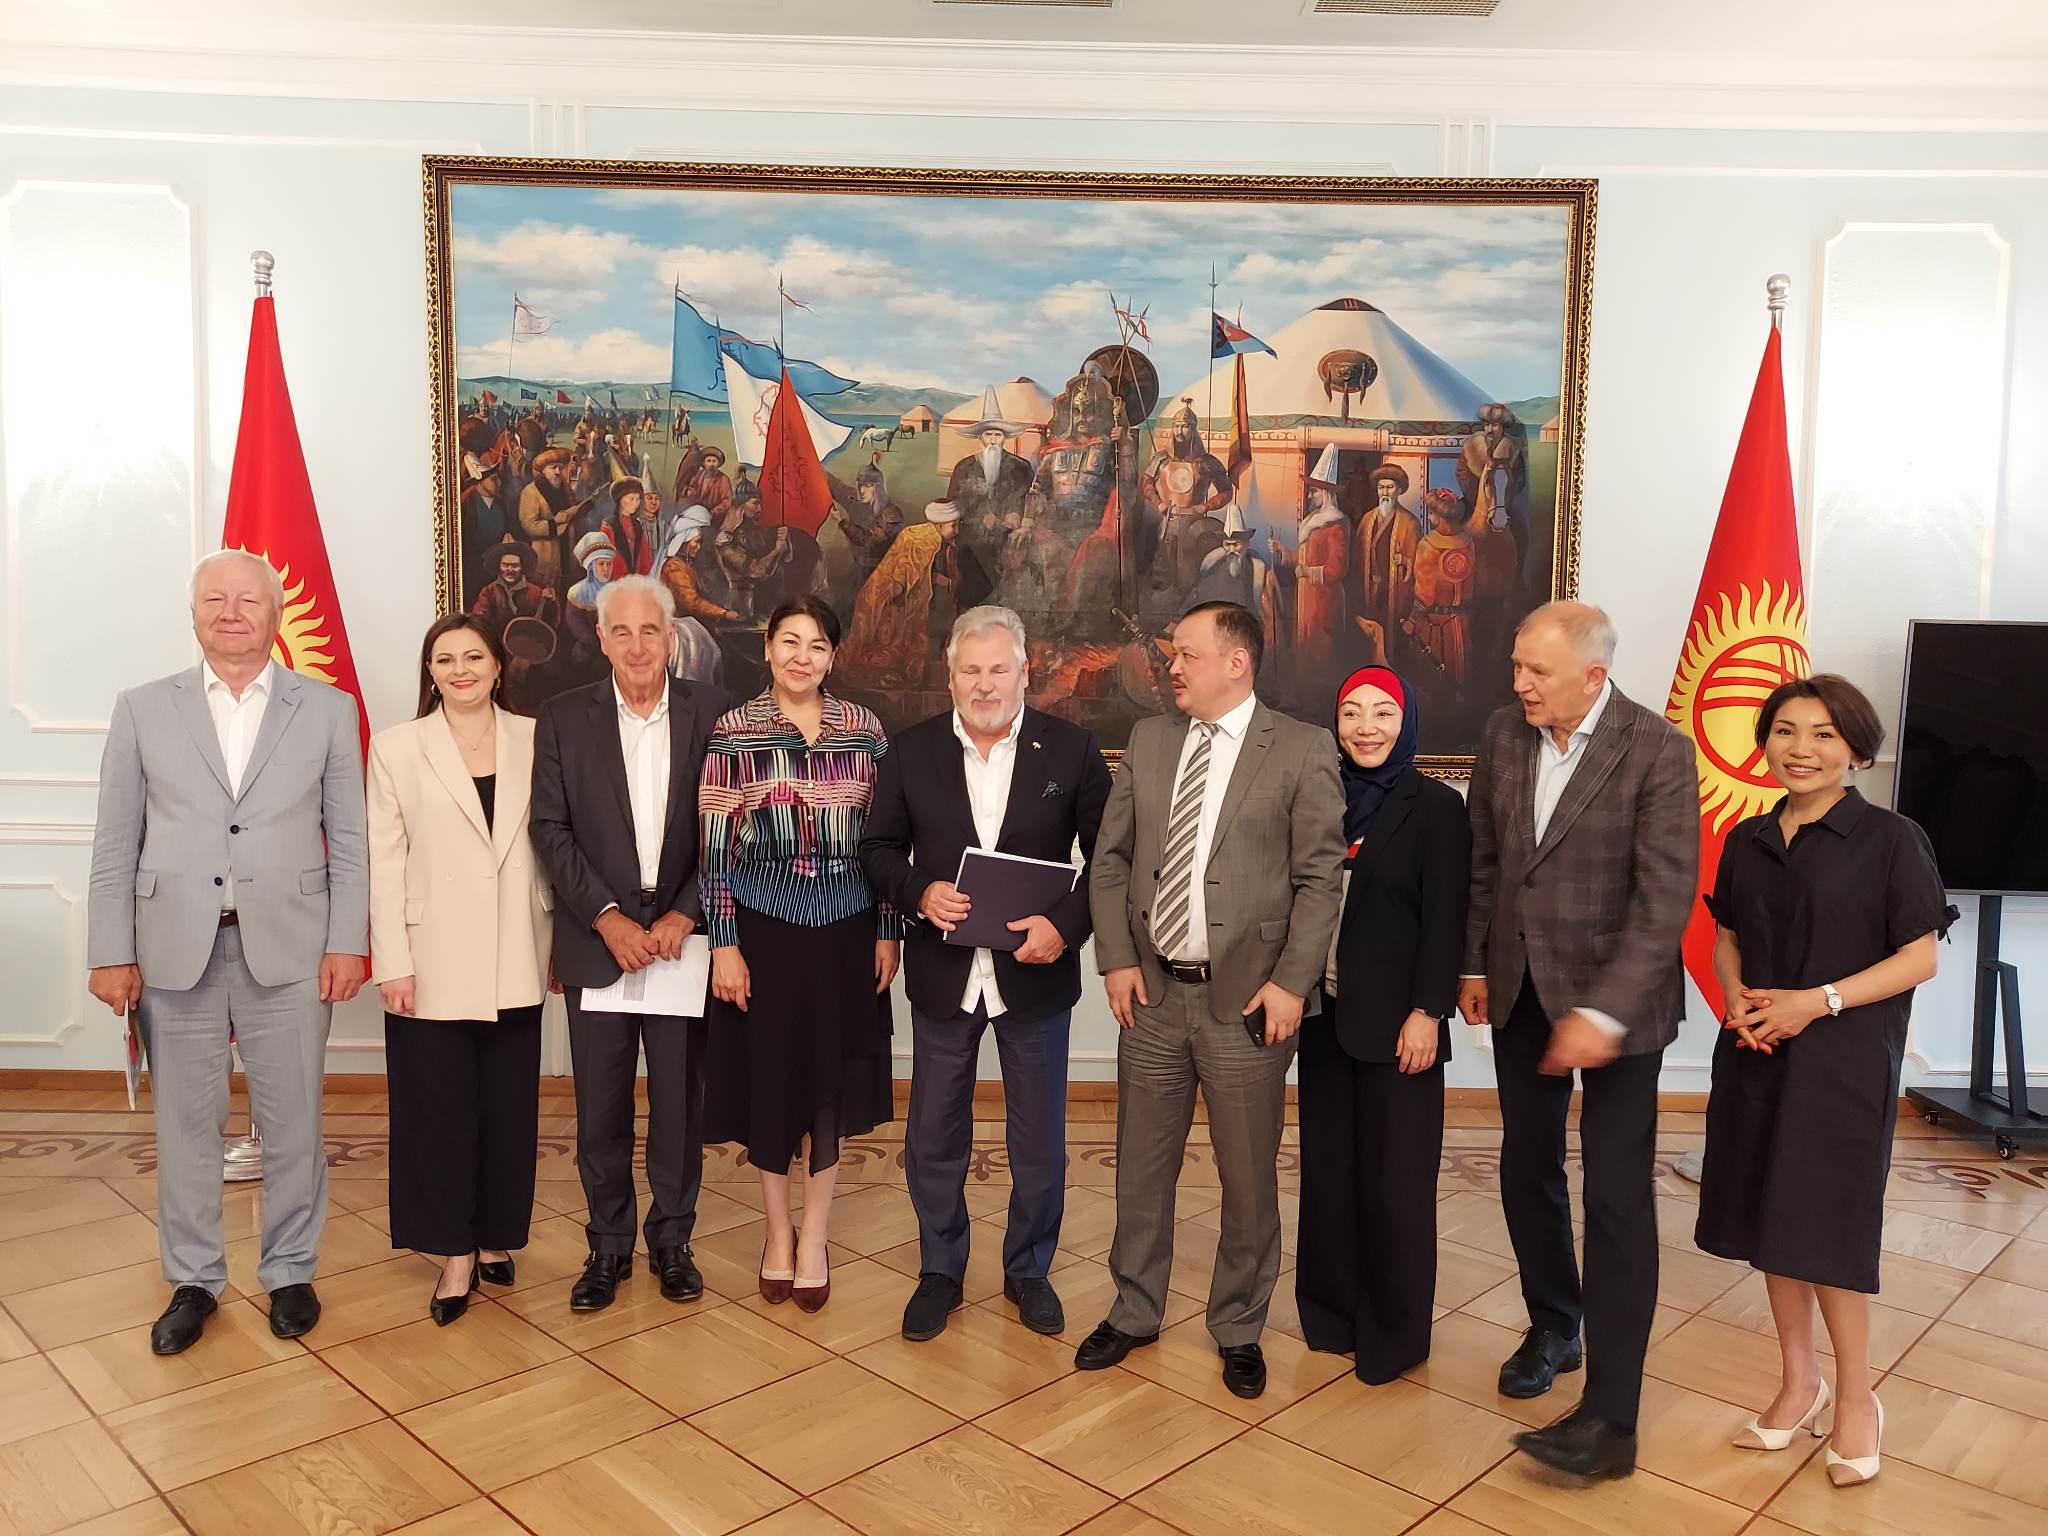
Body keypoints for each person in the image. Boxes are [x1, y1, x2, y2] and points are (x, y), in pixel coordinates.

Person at [86, 549, 367, 1354]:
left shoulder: (327, 709)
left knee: (294, 1121)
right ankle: (194, 1280)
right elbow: (116, 841)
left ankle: (290, 1271)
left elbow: (349, 840)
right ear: (194, 614)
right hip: (173, 950)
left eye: (248, 599)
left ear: (277, 615)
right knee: (185, 1124)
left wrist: (348, 940)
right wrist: (110, 951)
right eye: (215, 599)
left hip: (293, 947)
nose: (231, 612)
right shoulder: (143, 708)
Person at [1695, 674, 1953, 1488]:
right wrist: (1734, 993)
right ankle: (1797, 1383)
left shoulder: (1892, 838)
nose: (1800, 749)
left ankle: (1857, 1399)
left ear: (1856, 751)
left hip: (1843, 1063)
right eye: (1785, 731)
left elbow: (1920, 957)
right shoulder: (1747, 837)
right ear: (1764, 742)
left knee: (1827, 1231)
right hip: (1757, 1052)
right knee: (1771, 1221)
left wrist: (1818, 1001)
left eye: (1823, 734)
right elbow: (1726, 935)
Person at [1084, 600, 1345, 1399]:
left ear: (1237, 662)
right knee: (1141, 1167)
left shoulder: (1300, 749)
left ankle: (1238, 1326)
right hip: (1153, 995)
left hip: (1249, 1003)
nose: (1172, 668)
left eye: (1186, 655)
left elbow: (1320, 880)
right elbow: (1110, 859)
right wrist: (1117, 959)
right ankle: (1134, 1309)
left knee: (1248, 1178)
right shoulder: (1151, 741)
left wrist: (1292, 982)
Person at [1460, 600, 1697, 1479]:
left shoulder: (1658, 749)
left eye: (1538, 671)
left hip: (1619, 1009)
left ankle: (1612, 1417)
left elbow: (1663, 902)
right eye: (1517, 666)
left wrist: (1603, 1011)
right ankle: (1555, 1326)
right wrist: (1473, 964)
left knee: (1618, 1197)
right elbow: (1487, 860)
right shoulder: (1504, 734)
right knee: (1528, 1166)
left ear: (1594, 676)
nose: (1519, 683)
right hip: (1521, 989)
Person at [860, 606, 1112, 1342]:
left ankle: (1028, 1269)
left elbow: (1111, 858)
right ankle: (940, 1269)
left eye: (999, 668)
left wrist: (1065, 927)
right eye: (970, 670)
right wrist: (918, 892)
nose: (984, 683)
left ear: (1025, 672)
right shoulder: (911, 751)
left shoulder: (1071, 750)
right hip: (944, 973)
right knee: (934, 1133)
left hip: (1035, 974)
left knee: (1039, 1137)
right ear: (950, 675)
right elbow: (877, 849)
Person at [530, 574, 726, 1313]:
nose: (638, 645)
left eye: (651, 631)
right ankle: (607, 1246)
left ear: (671, 637)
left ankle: (673, 1242)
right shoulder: (562, 716)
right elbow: (550, 829)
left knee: (679, 1104)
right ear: (602, 638)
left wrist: (685, 914)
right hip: (598, 940)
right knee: (601, 1107)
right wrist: (608, 918)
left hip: (682, 941)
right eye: (623, 631)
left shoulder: (716, 713)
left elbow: (733, 825)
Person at [700, 596, 900, 1312]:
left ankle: (815, 1236)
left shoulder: (865, 730)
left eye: (817, 645)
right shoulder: (734, 731)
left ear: (833, 656)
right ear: (768, 647)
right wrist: (724, 944)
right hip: (763, 930)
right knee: (771, 1082)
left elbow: (888, 839)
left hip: (847, 929)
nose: (802, 657)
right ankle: (777, 1233)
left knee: (830, 1085)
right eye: (790, 641)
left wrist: (888, 927)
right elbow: (714, 850)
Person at [367, 616, 551, 1324]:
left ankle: (496, 1235)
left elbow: (556, 841)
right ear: (430, 672)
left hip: (518, 945)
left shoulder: (537, 737)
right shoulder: (397, 747)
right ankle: (453, 1252)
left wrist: (562, 946)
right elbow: (385, 862)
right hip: (430, 955)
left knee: (508, 1107)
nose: (461, 669)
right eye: (445, 659)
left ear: (499, 666)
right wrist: (393, 961)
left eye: (474, 656)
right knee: (437, 1112)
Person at [1296, 667, 1469, 1382]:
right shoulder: (1318, 798)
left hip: (1403, 1026)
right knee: (1328, 1176)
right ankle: (1331, 1316)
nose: (1366, 727)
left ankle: (1393, 1336)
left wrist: (1428, 1012)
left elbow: (1446, 920)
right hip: (1322, 1019)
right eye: (1352, 712)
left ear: (1407, 723)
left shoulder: (1437, 808)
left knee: (1396, 1188)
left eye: (1383, 713)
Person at [840, 500, 991, 690]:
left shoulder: (948, 547)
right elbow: (902, 571)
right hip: (900, 605)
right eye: (953, 526)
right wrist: (918, 582)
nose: (957, 531)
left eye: (957, 525)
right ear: (939, 525)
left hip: (934, 606)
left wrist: (946, 582)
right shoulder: (915, 538)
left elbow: (951, 579)